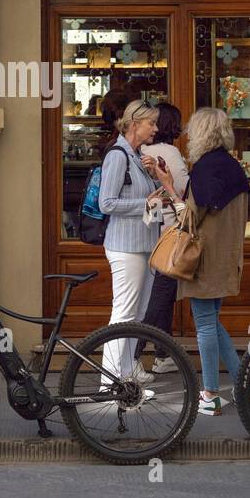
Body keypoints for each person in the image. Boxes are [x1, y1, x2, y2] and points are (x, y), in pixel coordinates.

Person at [149, 107, 250, 414]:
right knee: (213, 323)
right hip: (226, 254)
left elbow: (190, 219)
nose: (188, 135)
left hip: (203, 258)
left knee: (204, 324)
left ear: (202, 133)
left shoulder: (206, 168)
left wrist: (167, 187)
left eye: (193, 130)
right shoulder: (233, 167)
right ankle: (244, 386)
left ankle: (209, 394)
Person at [97, 99, 161, 386]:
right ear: (135, 124)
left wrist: (153, 178)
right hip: (126, 247)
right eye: (151, 123)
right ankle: (110, 381)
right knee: (123, 314)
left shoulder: (136, 155)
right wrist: (145, 202)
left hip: (143, 246)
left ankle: (126, 374)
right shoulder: (118, 155)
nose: (156, 129)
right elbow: (107, 203)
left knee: (136, 315)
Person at [138, 102, 189, 374]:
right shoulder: (169, 152)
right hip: (168, 235)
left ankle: (163, 354)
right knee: (160, 296)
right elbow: (181, 188)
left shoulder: (141, 150)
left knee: (161, 295)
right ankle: (134, 353)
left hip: (146, 234)